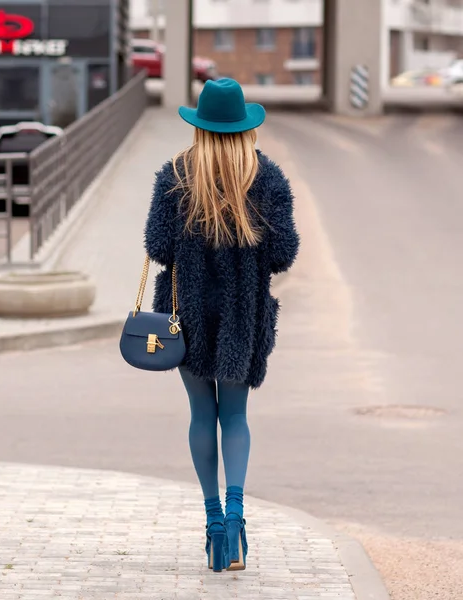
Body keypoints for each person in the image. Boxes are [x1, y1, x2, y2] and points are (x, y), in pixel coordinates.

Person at [144, 78, 299, 572]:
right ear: (244, 128)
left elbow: (157, 247)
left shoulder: (175, 175)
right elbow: (283, 253)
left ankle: (212, 524)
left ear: (200, 127)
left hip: (185, 313)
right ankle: (236, 519)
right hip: (240, 317)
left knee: (200, 414)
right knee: (235, 416)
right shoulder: (267, 177)